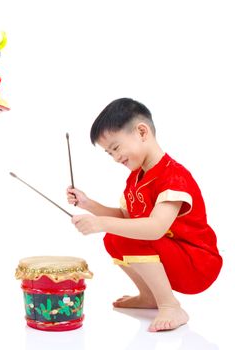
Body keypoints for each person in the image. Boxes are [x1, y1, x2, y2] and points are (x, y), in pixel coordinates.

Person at [66, 98, 222, 332]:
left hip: (196, 264)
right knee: (114, 237)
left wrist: (100, 223)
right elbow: (126, 218)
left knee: (127, 235)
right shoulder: (136, 177)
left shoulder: (173, 176)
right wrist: (89, 204)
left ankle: (170, 305)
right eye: (110, 154)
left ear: (142, 132)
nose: (116, 158)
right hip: (171, 255)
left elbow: (155, 228)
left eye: (116, 148)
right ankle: (150, 295)